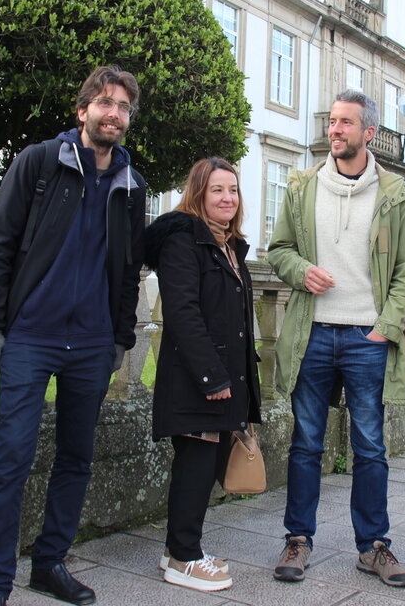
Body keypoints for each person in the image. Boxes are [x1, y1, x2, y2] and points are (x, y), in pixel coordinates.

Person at [0, 66, 147, 606]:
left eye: (123, 106)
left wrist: (121, 337)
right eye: (105, 102)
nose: (114, 113)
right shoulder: (40, 162)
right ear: (83, 111)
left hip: (93, 344)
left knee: (76, 458)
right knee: (12, 457)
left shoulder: (130, 184)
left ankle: (50, 563)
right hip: (31, 335)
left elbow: (127, 271)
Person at [267, 90, 405, 588]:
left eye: (345, 123)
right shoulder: (302, 188)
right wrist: (300, 270)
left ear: (368, 133)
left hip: (366, 337)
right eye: (332, 122)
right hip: (312, 333)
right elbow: (279, 250)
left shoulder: (396, 195)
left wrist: (386, 328)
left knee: (371, 446)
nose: (334, 130)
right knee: (306, 441)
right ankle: (298, 539)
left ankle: (374, 545)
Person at [144, 158, 262, 592]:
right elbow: (182, 313)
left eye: (232, 190)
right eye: (217, 190)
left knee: (204, 465)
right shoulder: (183, 241)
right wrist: (212, 377)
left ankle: (178, 547)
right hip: (197, 378)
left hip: (224, 377)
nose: (227, 198)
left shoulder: (229, 244)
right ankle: (184, 558)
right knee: (195, 465)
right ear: (198, 194)